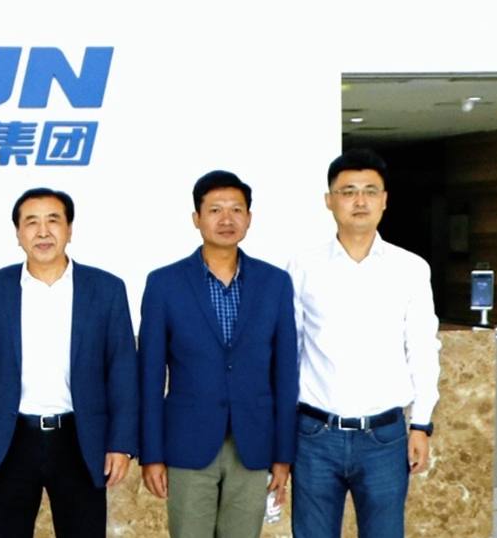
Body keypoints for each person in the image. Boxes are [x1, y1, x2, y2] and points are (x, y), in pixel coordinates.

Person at [0, 188, 137, 538]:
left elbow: (122, 372)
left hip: (80, 440)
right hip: (8, 442)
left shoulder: (106, 289)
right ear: (18, 233)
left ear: (70, 229)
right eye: (31, 222)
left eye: (53, 220)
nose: (43, 232)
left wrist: (120, 443)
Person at [286, 149, 440, 538]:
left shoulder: (410, 269)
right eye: (348, 191)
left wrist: (421, 424)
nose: (360, 201)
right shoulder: (303, 266)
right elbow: (290, 350)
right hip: (314, 435)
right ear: (329, 200)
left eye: (370, 191)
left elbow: (423, 349)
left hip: (384, 438)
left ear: (384, 200)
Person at [137, 171, 297, 538]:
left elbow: (286, 374)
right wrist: (152, 454)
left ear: (249, 218)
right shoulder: (164, 283)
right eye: (215, 210)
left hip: (254, 443)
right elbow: (149, 377)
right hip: (187, 442)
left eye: (236, 210)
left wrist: (283, 455)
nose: (226, 219)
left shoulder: (274, 283)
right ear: (196, 218)